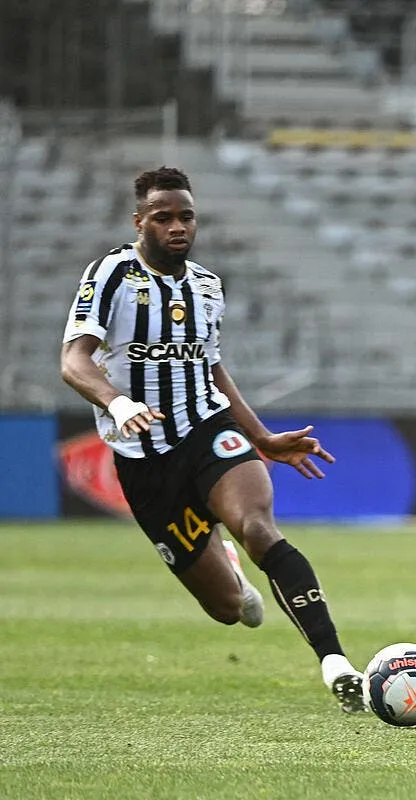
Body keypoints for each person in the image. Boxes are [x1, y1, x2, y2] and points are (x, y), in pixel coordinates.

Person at [60, 166, 368, 712]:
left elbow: (212, 368)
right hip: (143, 456)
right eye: (163, 217)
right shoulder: (112, 275)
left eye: (186, 216)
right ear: (140, 222)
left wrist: (262, 438)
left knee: (258, 527)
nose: (177, 226)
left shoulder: (206, 286)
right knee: (232, 609)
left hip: (207, 429)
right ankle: (223, 561)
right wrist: (119, 402)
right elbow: (74, 360)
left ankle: (336, 663)